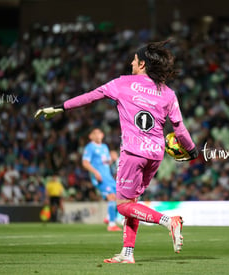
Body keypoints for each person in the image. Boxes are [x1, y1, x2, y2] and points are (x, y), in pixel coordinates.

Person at [35, 40, 198, 263]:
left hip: (132, 153)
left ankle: (168, 221)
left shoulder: (122, 84)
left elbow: (90, 96)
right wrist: (192, 150)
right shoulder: (168, 93)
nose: (131, 62)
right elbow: (179, 128)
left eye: (134, 59)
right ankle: (127, 253)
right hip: (155, 154)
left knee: (123, 206)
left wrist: (60, 107)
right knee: (133, 203)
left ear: (142, 64)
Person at [82, 128, 121, 232]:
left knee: (120, 197)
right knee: (112, 197)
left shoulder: (104, 147)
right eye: (94, 133)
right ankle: (111, 225)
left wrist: (112, 159)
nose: (97, 135)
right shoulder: (90, 147)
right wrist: (95, 173)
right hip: (99, 177)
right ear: (91, 136)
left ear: (102, 135)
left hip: (108, 177)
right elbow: (85, 163)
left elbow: (106, 162)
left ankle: (109, 217)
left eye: (99, 133)